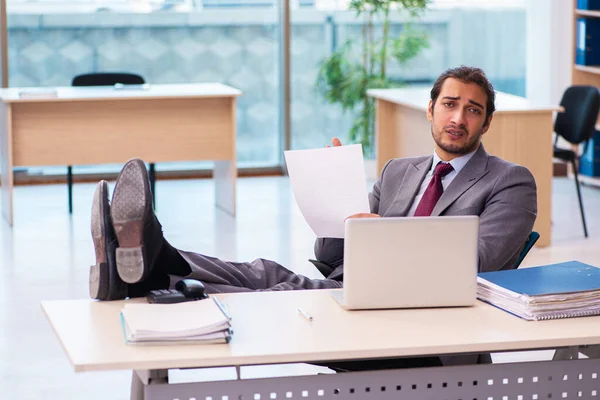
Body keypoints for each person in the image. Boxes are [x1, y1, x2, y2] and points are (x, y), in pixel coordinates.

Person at [89, 65, 537, 303]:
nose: (458, 118)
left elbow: (475, 258)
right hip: (351, 282)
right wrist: (333, 191)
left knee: (275, 295)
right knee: (262, 272)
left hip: (409, 298)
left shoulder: (510, 182)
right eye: (450, 104)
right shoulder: (399, 170)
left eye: (473, 110)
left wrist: (378, 231)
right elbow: (330, 257)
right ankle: (147, 256)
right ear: (430, 109)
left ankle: (140, 274)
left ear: (488, 122)